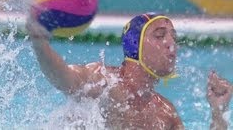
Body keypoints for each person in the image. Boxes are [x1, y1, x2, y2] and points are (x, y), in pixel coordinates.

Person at [26, 12, 232, 129]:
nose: (171, 44)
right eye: (160, 36)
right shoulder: (104, 81)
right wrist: (39, 44)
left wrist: (218, 113)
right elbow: (63, 77)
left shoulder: (165, 114)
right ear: (136, 45)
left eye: (173, 37)